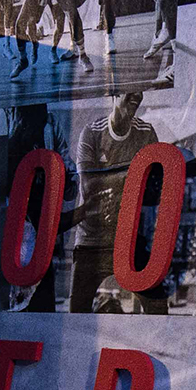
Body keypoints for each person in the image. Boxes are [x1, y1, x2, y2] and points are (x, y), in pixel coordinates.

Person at [71, 86, 169, 313]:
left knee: (158, 310)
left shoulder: (146, 132)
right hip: (92, 239)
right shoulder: (92, 132)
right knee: (77, 314)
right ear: (114, 93)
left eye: (141, 89)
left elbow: (154, 187)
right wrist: (134, 173)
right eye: (131, 88)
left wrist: (112, 179)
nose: (138, 95)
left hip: (130, 236)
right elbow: (88, 186)